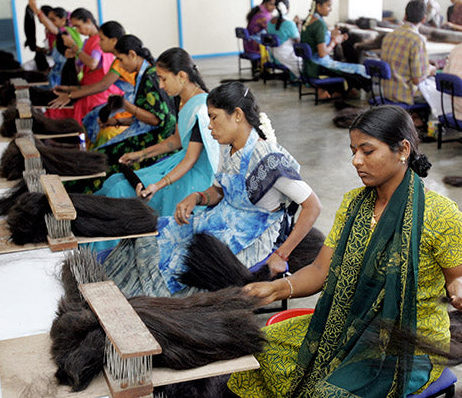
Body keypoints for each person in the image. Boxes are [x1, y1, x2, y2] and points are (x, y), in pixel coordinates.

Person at [228, 105, 462, 397]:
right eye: (353, 151)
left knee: (328, 393)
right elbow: (321, 271)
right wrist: (276, 289)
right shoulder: (354, 204)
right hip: (346, 323)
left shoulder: (440, 216)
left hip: (403, 344)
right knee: (261, 346)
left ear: (403, 149)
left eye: (367, 151)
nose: (356, 161)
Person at [102, 81, 322, 297]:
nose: (209, 126)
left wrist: (281, 255)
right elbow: (219, 191)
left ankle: (143, 304)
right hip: (220, 221)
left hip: (248, 238)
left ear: (237, 115)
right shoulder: (228, 149)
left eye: (214, 117)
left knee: (176, 264)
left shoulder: (269, 160)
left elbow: (313, 206)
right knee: (152, 236)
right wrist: (196, 198)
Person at [95, 48, 219, 217]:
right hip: (179, 163)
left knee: (120, 190)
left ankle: (110, 242)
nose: (160, 85)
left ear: (182, 76)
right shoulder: (180, 99)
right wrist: (140, 155)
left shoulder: (201, 109)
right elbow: (177, 139)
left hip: (193, 174)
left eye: (163, 79)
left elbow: (191, 159)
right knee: (114, 180)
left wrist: (158, 185)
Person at [66, 35, 178, 195]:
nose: (120, 65)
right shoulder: (145, 75)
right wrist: (114, 122)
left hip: (154, 139)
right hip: (149, 133)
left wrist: (126, 105)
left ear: (132, 55)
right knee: (101, 153)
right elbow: (145, 118)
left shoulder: (150, 77)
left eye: (121, 59)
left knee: (105, 159)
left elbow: (156, 120)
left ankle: (81, 194)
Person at [48, 21, 134, 147]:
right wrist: (71, 89)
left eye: (102, 39)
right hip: (115, 100)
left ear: (113, 41)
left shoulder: (121, 62)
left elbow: (102, 85)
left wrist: (71, 95)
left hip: (123, 104)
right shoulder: (116, 61)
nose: (99, 43)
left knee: (94, 120)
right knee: (89, 118)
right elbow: (100, 84)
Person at [50, 8, 122, 124]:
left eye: (78, 26)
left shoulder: (99, 43)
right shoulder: (87, 42)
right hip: (89, 88)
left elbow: (93, 64)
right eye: (75, 28)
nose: (78, 31)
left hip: (98, 93)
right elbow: (79, 66)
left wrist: (75, 47)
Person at [300, 0, 370, 95]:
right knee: (360, 70)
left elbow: (314, 40)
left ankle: (333, 91)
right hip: (319, 67)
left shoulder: (308, 21)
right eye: (328, 6)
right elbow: (322, 53)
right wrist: (334, 41)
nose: (331, 9)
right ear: (319, 6)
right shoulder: (319, 24)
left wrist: (330, 34)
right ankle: (335, 91)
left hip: (308, 66)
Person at [381, 0, 436, 106]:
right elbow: (417, 79)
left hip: (387, 92)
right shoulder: (417, 40)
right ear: (424, 19)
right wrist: (430, 70)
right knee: (439, 93)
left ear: (405, 15)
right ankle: (420, 120)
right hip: (405, 95)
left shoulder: (389, 35)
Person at [27, 0, 82, 87]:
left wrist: (35, 9)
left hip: (70, 77)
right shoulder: (58, 37)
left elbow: (53, 29)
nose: (50, 22)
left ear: (63, 20)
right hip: (59, 74)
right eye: (49, 20)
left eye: (53, 20)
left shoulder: (66, 31)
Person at [266, 0, 302, 79]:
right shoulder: (289, 23)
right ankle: (297, 79)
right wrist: (299, 26)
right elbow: (298, 42)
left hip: (273, 57)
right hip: (285, 57)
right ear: (288, 7)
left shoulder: (270, 22)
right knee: (306, 62)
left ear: (276, 8)